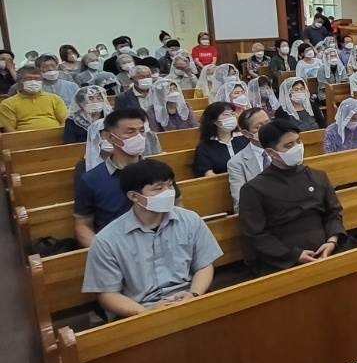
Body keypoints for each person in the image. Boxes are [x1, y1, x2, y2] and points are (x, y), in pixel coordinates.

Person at [81, 159, 222, 318]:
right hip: (140, 309)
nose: (168, 192)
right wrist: (148, 313)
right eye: (158, 188)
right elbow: (107, 294)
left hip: (189, 298)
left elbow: (204, 265)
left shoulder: (190, 219)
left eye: (170, 185)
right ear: (134, 196)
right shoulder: (107, 240)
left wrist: (194, 294)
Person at [238, 119, 346, 274]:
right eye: (289, 145)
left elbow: (333, 213)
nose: (297, 148)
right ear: (271, 152)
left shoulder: (318, 176)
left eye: (298, 141)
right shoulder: (254, 189)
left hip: (327, 249)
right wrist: (294, 255)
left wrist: (332, 241)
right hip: (283, 260)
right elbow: (255, 234)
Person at [73, 108, 152, 243]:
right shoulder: (91, 179)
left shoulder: (156, 170)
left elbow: (176, 207)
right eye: (130, 132)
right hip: (114, 245)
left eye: (141, 131)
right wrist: (102, 250)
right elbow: (83, 224)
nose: (139, 137)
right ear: (110, 137)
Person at [0, 66, 69, 131]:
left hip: (56, 136)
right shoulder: (8, 104)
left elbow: (65, 121)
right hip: (23, 138)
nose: (33, 82)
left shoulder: (55, 99)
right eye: (28, 79)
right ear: (19, 81)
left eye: (37, 79)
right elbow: (9, 130)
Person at [227, 107, 271, 209]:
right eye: (258, 127)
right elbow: (241, 201)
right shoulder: (236, 163)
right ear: (246, 133)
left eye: (268, 123)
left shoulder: (284, 150)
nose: (266, 129)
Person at [193, 100, 251, 176]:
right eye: (226, 114)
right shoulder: (205, 146)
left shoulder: (244, 139)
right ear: (214, 120)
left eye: (232, 114)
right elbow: (208, 174)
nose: (231, 117)